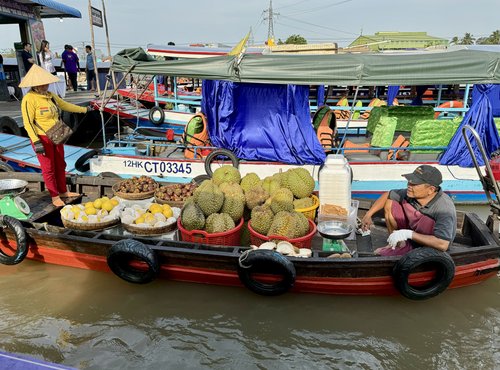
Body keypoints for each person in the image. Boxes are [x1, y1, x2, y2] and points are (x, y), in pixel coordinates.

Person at [19, 64, 90, 207]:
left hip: (56, 136)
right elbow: (27, 123)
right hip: (41, 138)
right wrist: (36, 141)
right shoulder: (29, 99)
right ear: (35, 84)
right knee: (48, 168)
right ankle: (54, 195)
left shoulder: (50, 96)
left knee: (60, 164)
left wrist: (85, 109)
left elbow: (65, 105)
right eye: (43, 83)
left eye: (46, 82)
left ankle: (63, 191)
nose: (46, 85)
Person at [361, 165, 456, 256]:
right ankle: (396, 243)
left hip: (431, 246)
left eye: (415, 184)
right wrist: (368, 214)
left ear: (431, 189)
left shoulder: (444, 208)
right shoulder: (411, 194)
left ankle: (408, 246)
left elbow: (443, 244)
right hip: (414, 232)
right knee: (390, 202)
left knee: (379, 254)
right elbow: (389, 194)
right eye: (409, 182)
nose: (409, 186)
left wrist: (408, 234)